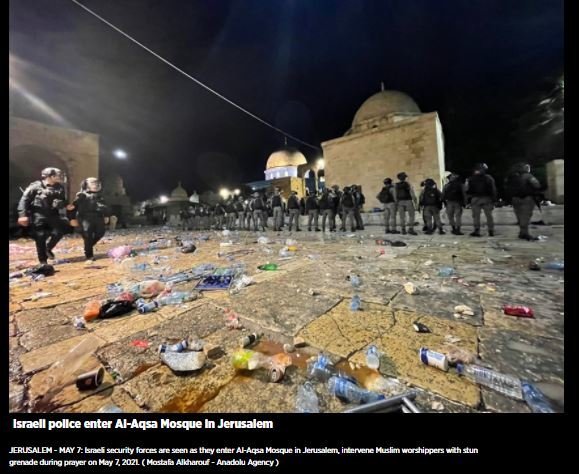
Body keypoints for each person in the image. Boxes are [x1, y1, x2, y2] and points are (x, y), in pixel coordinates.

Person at [17, 167, 68, 265]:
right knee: (40, 237)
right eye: (57, 175)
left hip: (53, 214)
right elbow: (24, 200)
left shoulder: (60, 187)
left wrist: (61, 203)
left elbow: (64, 200)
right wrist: (22, 215)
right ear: (50, 176)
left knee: (59, 231)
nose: (60, 177)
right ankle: (43, 261)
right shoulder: (35, 186)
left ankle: (48, 248)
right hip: (39, 214)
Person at [67, 177, 110, 263]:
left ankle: (88, 246)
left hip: (98, 217)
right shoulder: (81, 195)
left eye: (97, 183)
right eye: (93, 183)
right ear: (86, 185)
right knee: (88, 236)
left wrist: (107, 216)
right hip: (85, 218)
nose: (96, 185)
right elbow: (73, 208)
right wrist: (71, 218)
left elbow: (105, 207)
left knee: (101, 233)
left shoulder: (100, 196)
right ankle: (89, 255)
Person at [504, 162, 542, 241]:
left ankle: (522, 232)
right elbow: (537, 185)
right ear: (527, 169)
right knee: (526, 216)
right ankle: (525, 233)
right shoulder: (528, 176)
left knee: (519, 216)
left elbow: (506, 187)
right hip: (527, 198)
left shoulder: (512, 177)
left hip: (515, 199)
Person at [465, 163, 497, 237]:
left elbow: (468, 190)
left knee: (476, 216)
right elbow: (493, 190)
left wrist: (468, 200)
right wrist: (494, 200)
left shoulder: (471, 178)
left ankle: (477, 230)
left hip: (475, 198)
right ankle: (491, 230)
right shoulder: (489, 178)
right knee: (489, 215)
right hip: (487, 198)